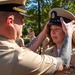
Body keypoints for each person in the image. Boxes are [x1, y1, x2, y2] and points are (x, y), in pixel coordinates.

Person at [0, 0, 74, 75]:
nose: (24, 24)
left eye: (57, 29)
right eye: (22, 20)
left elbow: (23, 52)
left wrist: (43, 34)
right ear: (10, 21)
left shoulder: (6, 51)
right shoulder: (15, 56)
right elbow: (64, 63)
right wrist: (68, 33)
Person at [44, 8, 75, 75]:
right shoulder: (47, 52)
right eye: (51, 29)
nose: (53, 32)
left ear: (68, 30)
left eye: (57, 29)